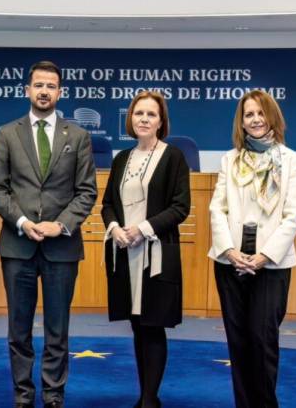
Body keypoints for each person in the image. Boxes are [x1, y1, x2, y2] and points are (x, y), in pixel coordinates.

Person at [0, 60, 97, 408]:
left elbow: (87, 192)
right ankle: (23, 394)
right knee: (18, 329)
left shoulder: (77, 136)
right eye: (39, 85)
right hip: (17, 245)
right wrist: (22, 221)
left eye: (51, 86)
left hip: (61, 247)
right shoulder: (7, 133)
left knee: (57, 329)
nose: (44, 91)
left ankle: (53, 395)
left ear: (60, 92)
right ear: (27, 90)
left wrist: (60, 225)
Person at [208, 89, 296, 408]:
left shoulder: (291, 161)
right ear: (241, 121)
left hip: (271, 264)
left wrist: (265, 256)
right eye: (249, 114)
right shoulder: (230, 159)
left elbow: (292, 215)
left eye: (261, 113)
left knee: (262, 341)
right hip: (231, 261)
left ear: (272, 117)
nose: (255, 119)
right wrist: (229, 251)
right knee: (238, 343)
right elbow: (217, 208)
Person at [101, 91, 190, 408]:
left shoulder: (173, 157)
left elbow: (180, 207)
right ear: (130, 118)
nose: (144, 119)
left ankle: (150, 400)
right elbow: (107, 204)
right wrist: (115, 228)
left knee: (153, 326)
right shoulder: (121, 159)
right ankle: (145, 396)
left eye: (151, 114)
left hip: (156, 254)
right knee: (137, 326)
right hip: (125, 253)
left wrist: (143, 228)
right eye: (139, 113)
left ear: (161, 121)